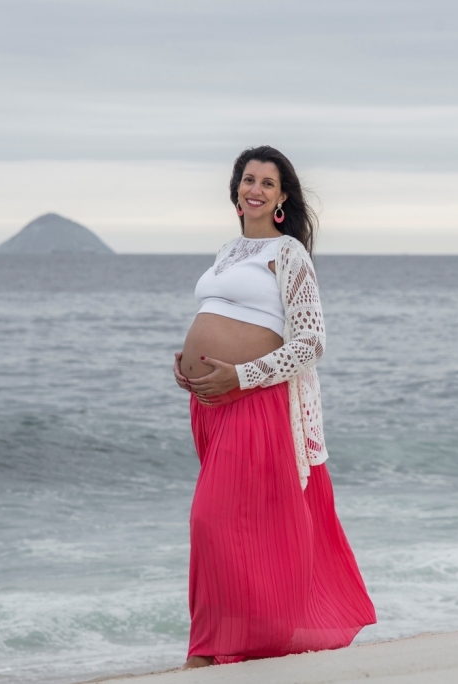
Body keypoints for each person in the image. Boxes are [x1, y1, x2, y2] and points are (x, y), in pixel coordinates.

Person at [172, 146, 376, 668]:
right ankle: (233, 645)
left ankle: (206, 654)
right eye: (248, 180)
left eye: (267, 182)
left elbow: (311, 342)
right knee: (236, 525)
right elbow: (221, 314)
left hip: (256, 402)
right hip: (213, 406)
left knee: (211, 521)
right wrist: (189, 365)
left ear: (282, 197)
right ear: (236, 190)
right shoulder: (227, 251)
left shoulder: (289, 255)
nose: (255, 189)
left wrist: (240, 373)